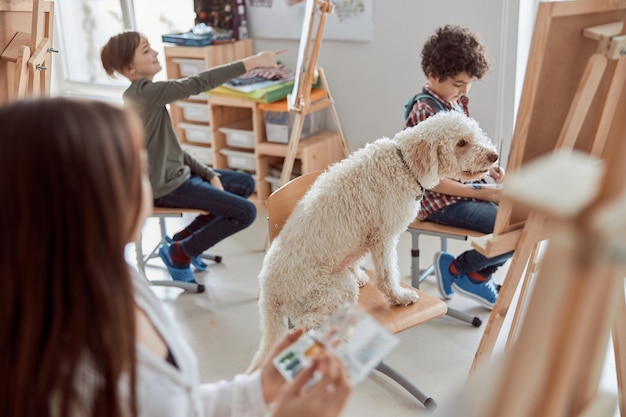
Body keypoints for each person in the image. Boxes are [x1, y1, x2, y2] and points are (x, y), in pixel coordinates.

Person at [0, 97, 351, 417]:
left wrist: (258, 390)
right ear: (82, 201)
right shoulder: (67, 379)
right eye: (137, 172)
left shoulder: (117, 275)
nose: (147, 188)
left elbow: (177, 406)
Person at [100, 31, 278, 283]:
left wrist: (208, 172)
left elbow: (171, 149)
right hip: (166, 187)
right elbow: (197, 83)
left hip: (177, 175)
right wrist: (254, 61)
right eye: (146, 51)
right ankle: (181, 253)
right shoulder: (145, 93)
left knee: (244, 184)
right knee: (246, 213)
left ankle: (183, 241)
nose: (155, 53)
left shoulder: (140, 95)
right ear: (130, 68)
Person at [404, 25, 513, 310]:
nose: (464, 90)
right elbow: (427, 178)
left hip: (464, 190)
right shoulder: (425, 112)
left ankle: (474, 273)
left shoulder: (457, 101)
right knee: (507, 225)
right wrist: (481, 193)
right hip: (437, 201)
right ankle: (463, 272)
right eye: (457, 83)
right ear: (432, 76)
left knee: (518, 217)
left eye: (469, 82)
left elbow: (466, 152)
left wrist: (489, 169)